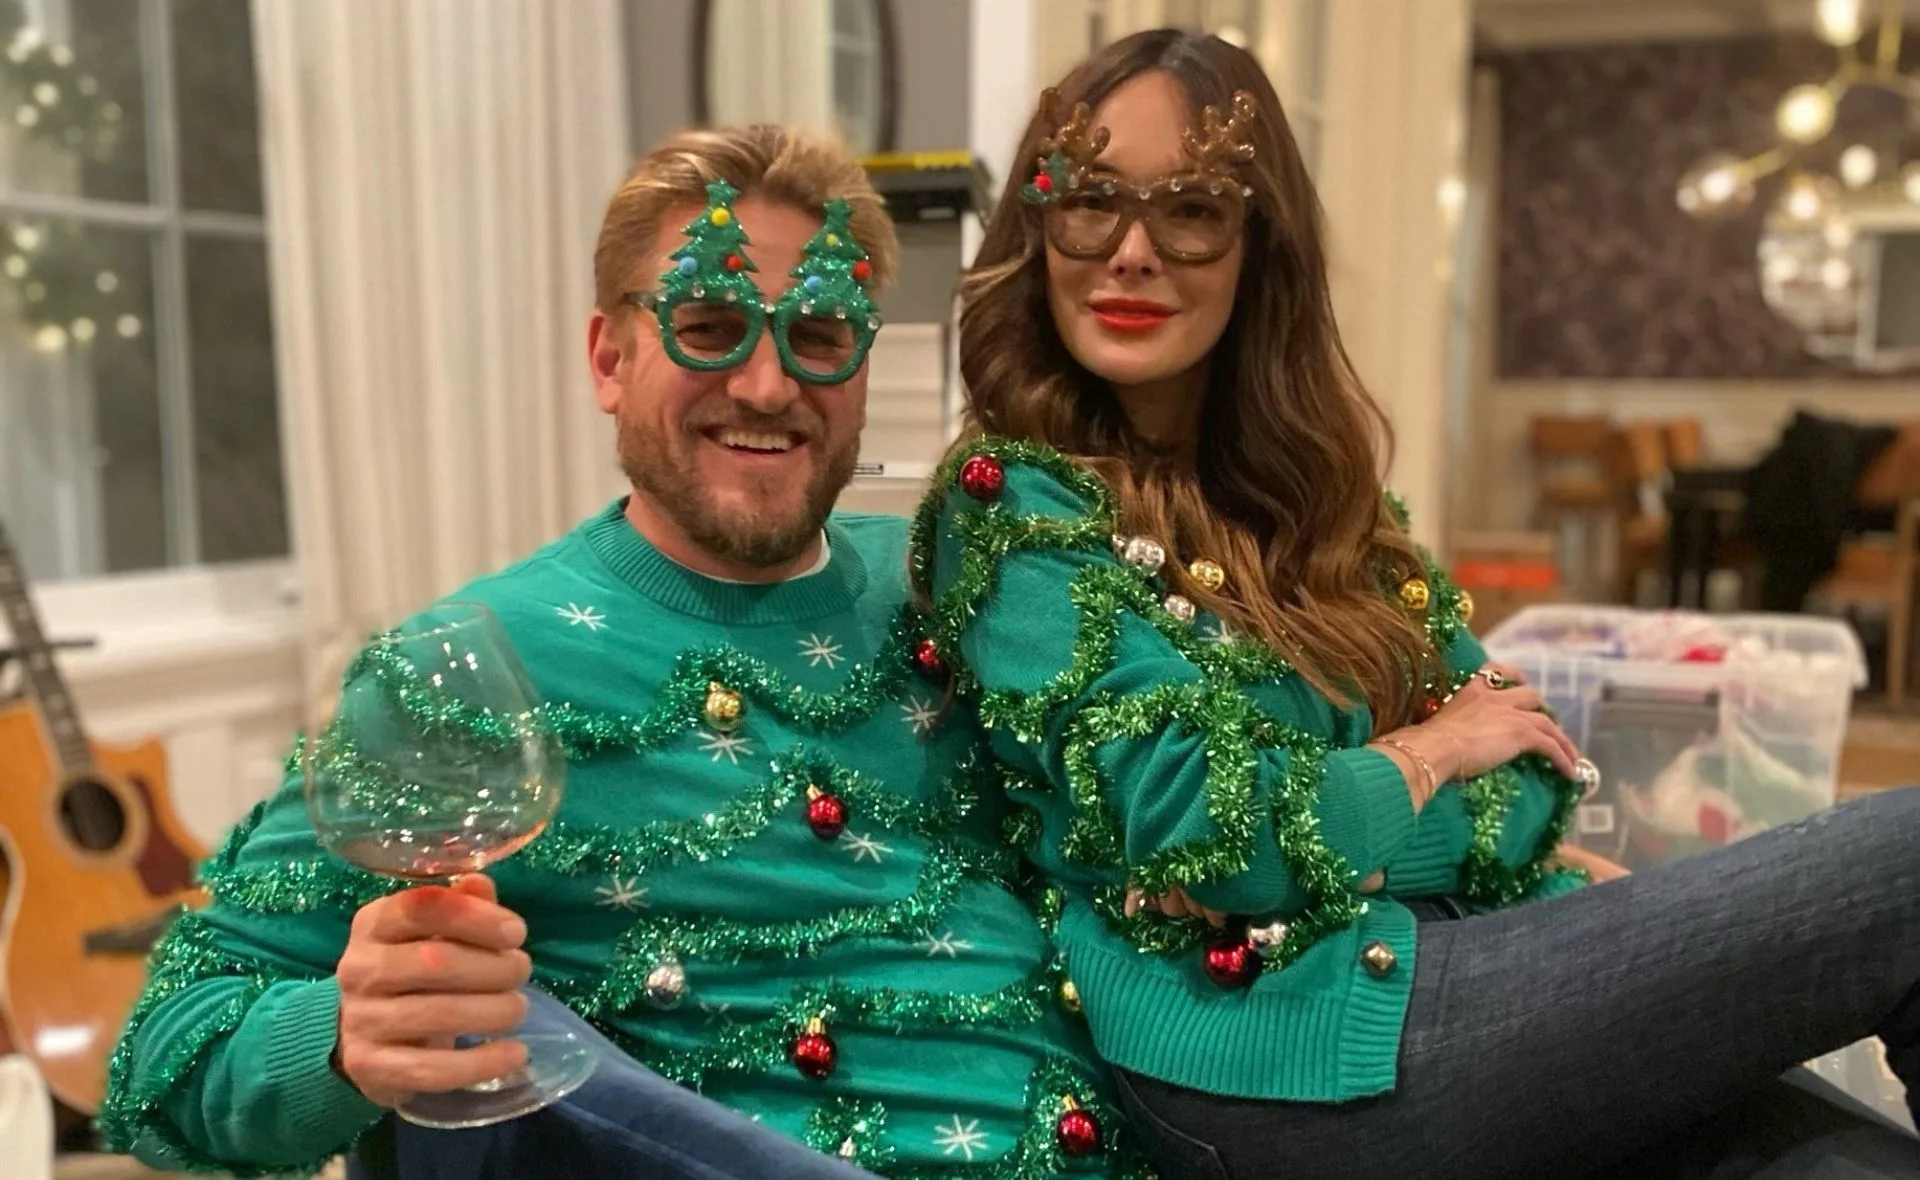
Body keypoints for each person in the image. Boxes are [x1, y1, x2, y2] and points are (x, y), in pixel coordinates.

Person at [912, 28, 1920, 1180]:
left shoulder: (1319, 502)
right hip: (1263, 1052)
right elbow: (1208, 832)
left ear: (1258, 247)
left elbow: (1533, 770)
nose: (1132, 252)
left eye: (1190, 209)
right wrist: (1431, 753)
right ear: (1040, 228)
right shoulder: (1013, 503)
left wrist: (1357, 827)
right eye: (1091, 203)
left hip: (1466, 969)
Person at [98, 124, 1138, 1180]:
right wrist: (343, 1035)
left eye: (821, 335)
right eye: (710, 325)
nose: (770, 387)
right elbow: (163, 1062)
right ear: (610, 357)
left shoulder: (967, 591)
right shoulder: (467, 668)